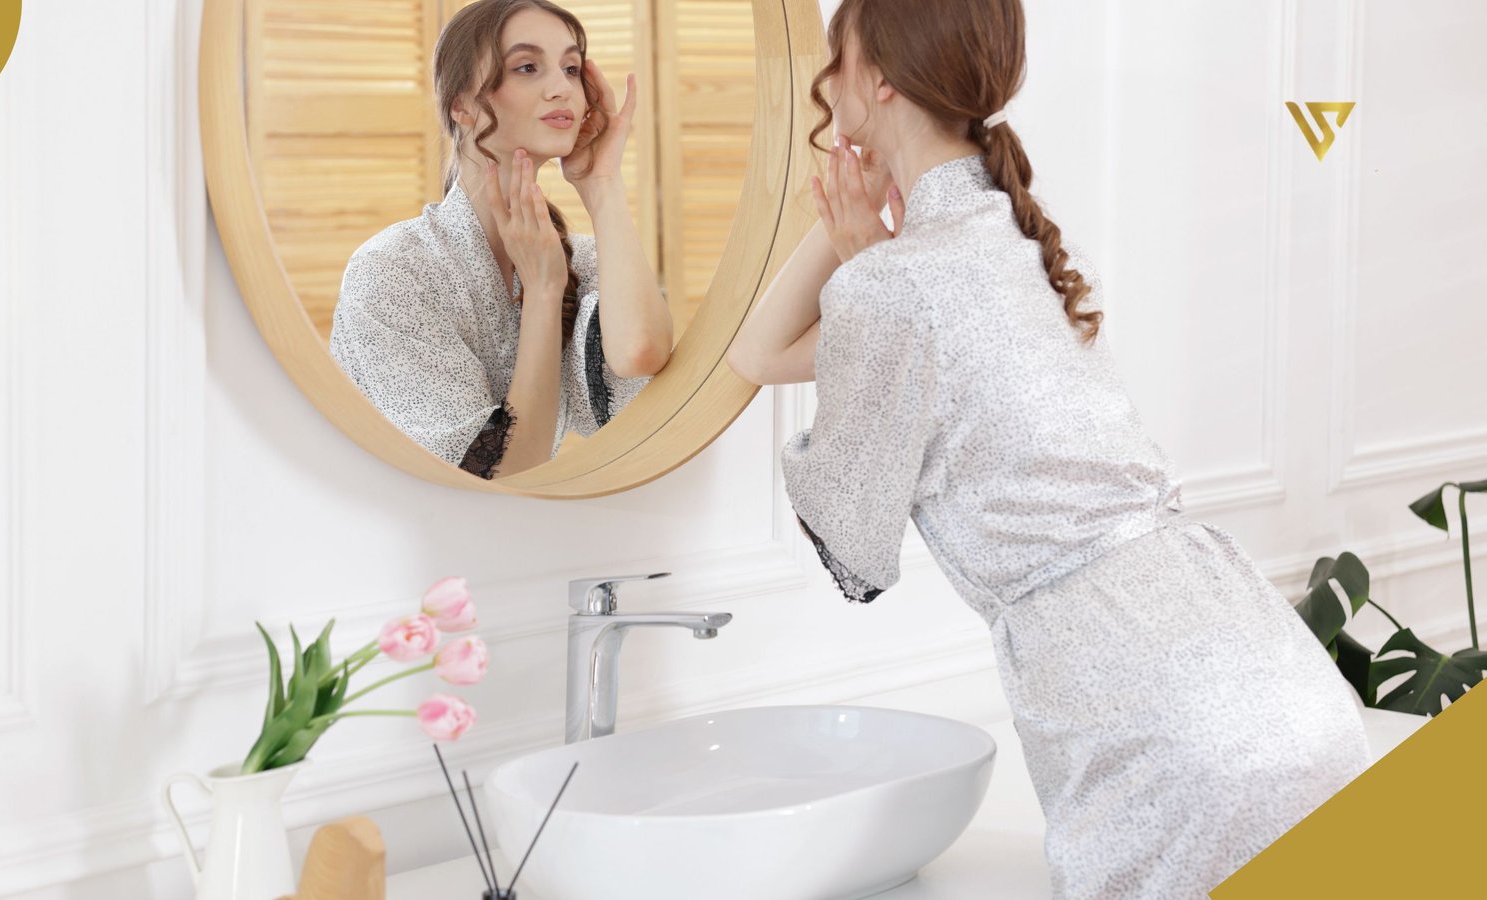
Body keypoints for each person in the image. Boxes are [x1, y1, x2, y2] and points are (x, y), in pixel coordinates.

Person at [725, 0, 1372, 896]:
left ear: (875, 77)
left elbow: (849, 530)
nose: (822, 80)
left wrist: (865, 241)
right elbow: (764, 355)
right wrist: (867, 215)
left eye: (838, 57)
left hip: (1161, 734)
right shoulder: (1015, 243)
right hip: (1284, 691)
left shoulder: (900, 286)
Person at [329, 0, 672, 480]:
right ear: (462, 105)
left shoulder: (584, 258)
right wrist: (543, 294)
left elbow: (641, 356)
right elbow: (501, 475)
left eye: (572, 68)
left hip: (532, 543)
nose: (562, 89)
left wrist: (602, 184)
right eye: (528, 67)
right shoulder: (392, 272)